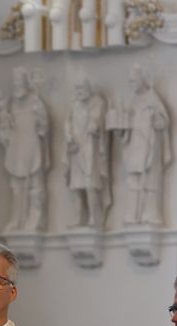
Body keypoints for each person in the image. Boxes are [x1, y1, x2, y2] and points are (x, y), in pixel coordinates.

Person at [117, 63, 172, 226]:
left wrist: (156, 120)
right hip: (135, 147)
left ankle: (150, 215)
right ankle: (132, 215)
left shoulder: (152, 98)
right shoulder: (132, 100)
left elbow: (163, 121)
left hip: (150, 146)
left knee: (150, 181)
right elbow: (125, 124)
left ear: (142, 80)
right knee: (134, 180)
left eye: (134, 80)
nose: (131, 84)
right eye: (129, 81)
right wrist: (121, 130)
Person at [0, 67, 49, 232]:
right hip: (17, 148)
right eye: (15, 81)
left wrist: (39, 115)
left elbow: (44, 128)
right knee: (17, 188)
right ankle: (16, 219)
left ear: (26, 82)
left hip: (32, 147)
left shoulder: (35, 101)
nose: (17, 84)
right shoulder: (10, 103)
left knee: (35, 186)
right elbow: (4, 131)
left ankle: (35, 219)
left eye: (20, 81)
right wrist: (4, 121)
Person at [64, 71, 110, 229]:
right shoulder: (73, 103)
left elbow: (97, 119)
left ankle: (94, 217)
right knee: (76, 186)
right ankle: (79, 217)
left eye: (81, 88)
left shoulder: (97, 102)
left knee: (91, 185)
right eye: (76, 89)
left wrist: (94, 124)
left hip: (91, 149)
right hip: (76, 149)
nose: (79, 92)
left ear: (88, 88)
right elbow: (67, 122)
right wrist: (69, 136)